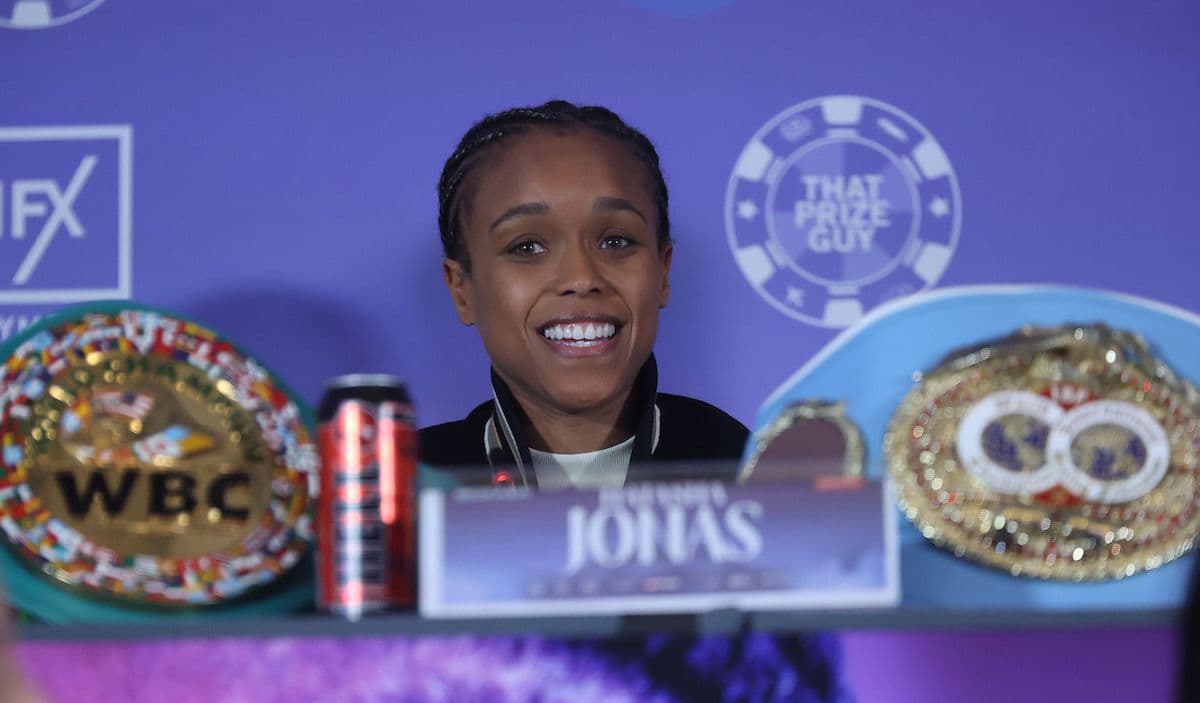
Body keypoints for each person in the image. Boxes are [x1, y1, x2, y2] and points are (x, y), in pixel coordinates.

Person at [420, 100, 748, 488]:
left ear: (662, 272)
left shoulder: (749, 470)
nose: (581, 277)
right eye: (527, 247)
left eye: (615, 241)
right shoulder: (402, 489)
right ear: (462, 290)